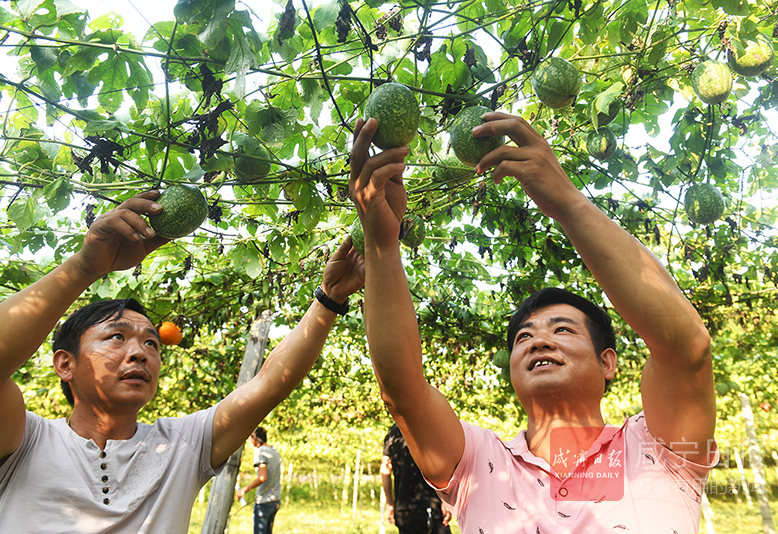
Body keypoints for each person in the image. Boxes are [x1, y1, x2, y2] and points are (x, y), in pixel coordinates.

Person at [348, 113, 718, 533]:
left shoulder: (661, 450)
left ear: (607, 362)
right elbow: (403, 391)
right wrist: (381, 245)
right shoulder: (478, 462)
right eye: (524, 336)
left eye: (562, 329)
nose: (538, 340)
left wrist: (566, 201)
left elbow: (687, 348)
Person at [0, 190, 364, 533]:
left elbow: (271, 382)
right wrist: (84, 267)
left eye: (151, 343)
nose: (140, 352)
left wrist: (329, 299)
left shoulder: (182, 445)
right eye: (116, 336)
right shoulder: (24, 439)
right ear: (65, 364)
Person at [381, 423, 452, 534]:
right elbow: (443, 465)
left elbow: (385, 469)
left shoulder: (393, 433)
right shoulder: (429, 426)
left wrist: (390, 503)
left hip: (405, 509)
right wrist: (446, 499)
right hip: (433, 506)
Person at [235, 427, 281, 534]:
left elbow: (262, 477)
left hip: (264, 502)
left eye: (250, 437)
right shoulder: (274, 451)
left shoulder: (261, 452)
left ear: (256, 439)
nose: (248, 440)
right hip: (275, 500)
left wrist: (244, 490)